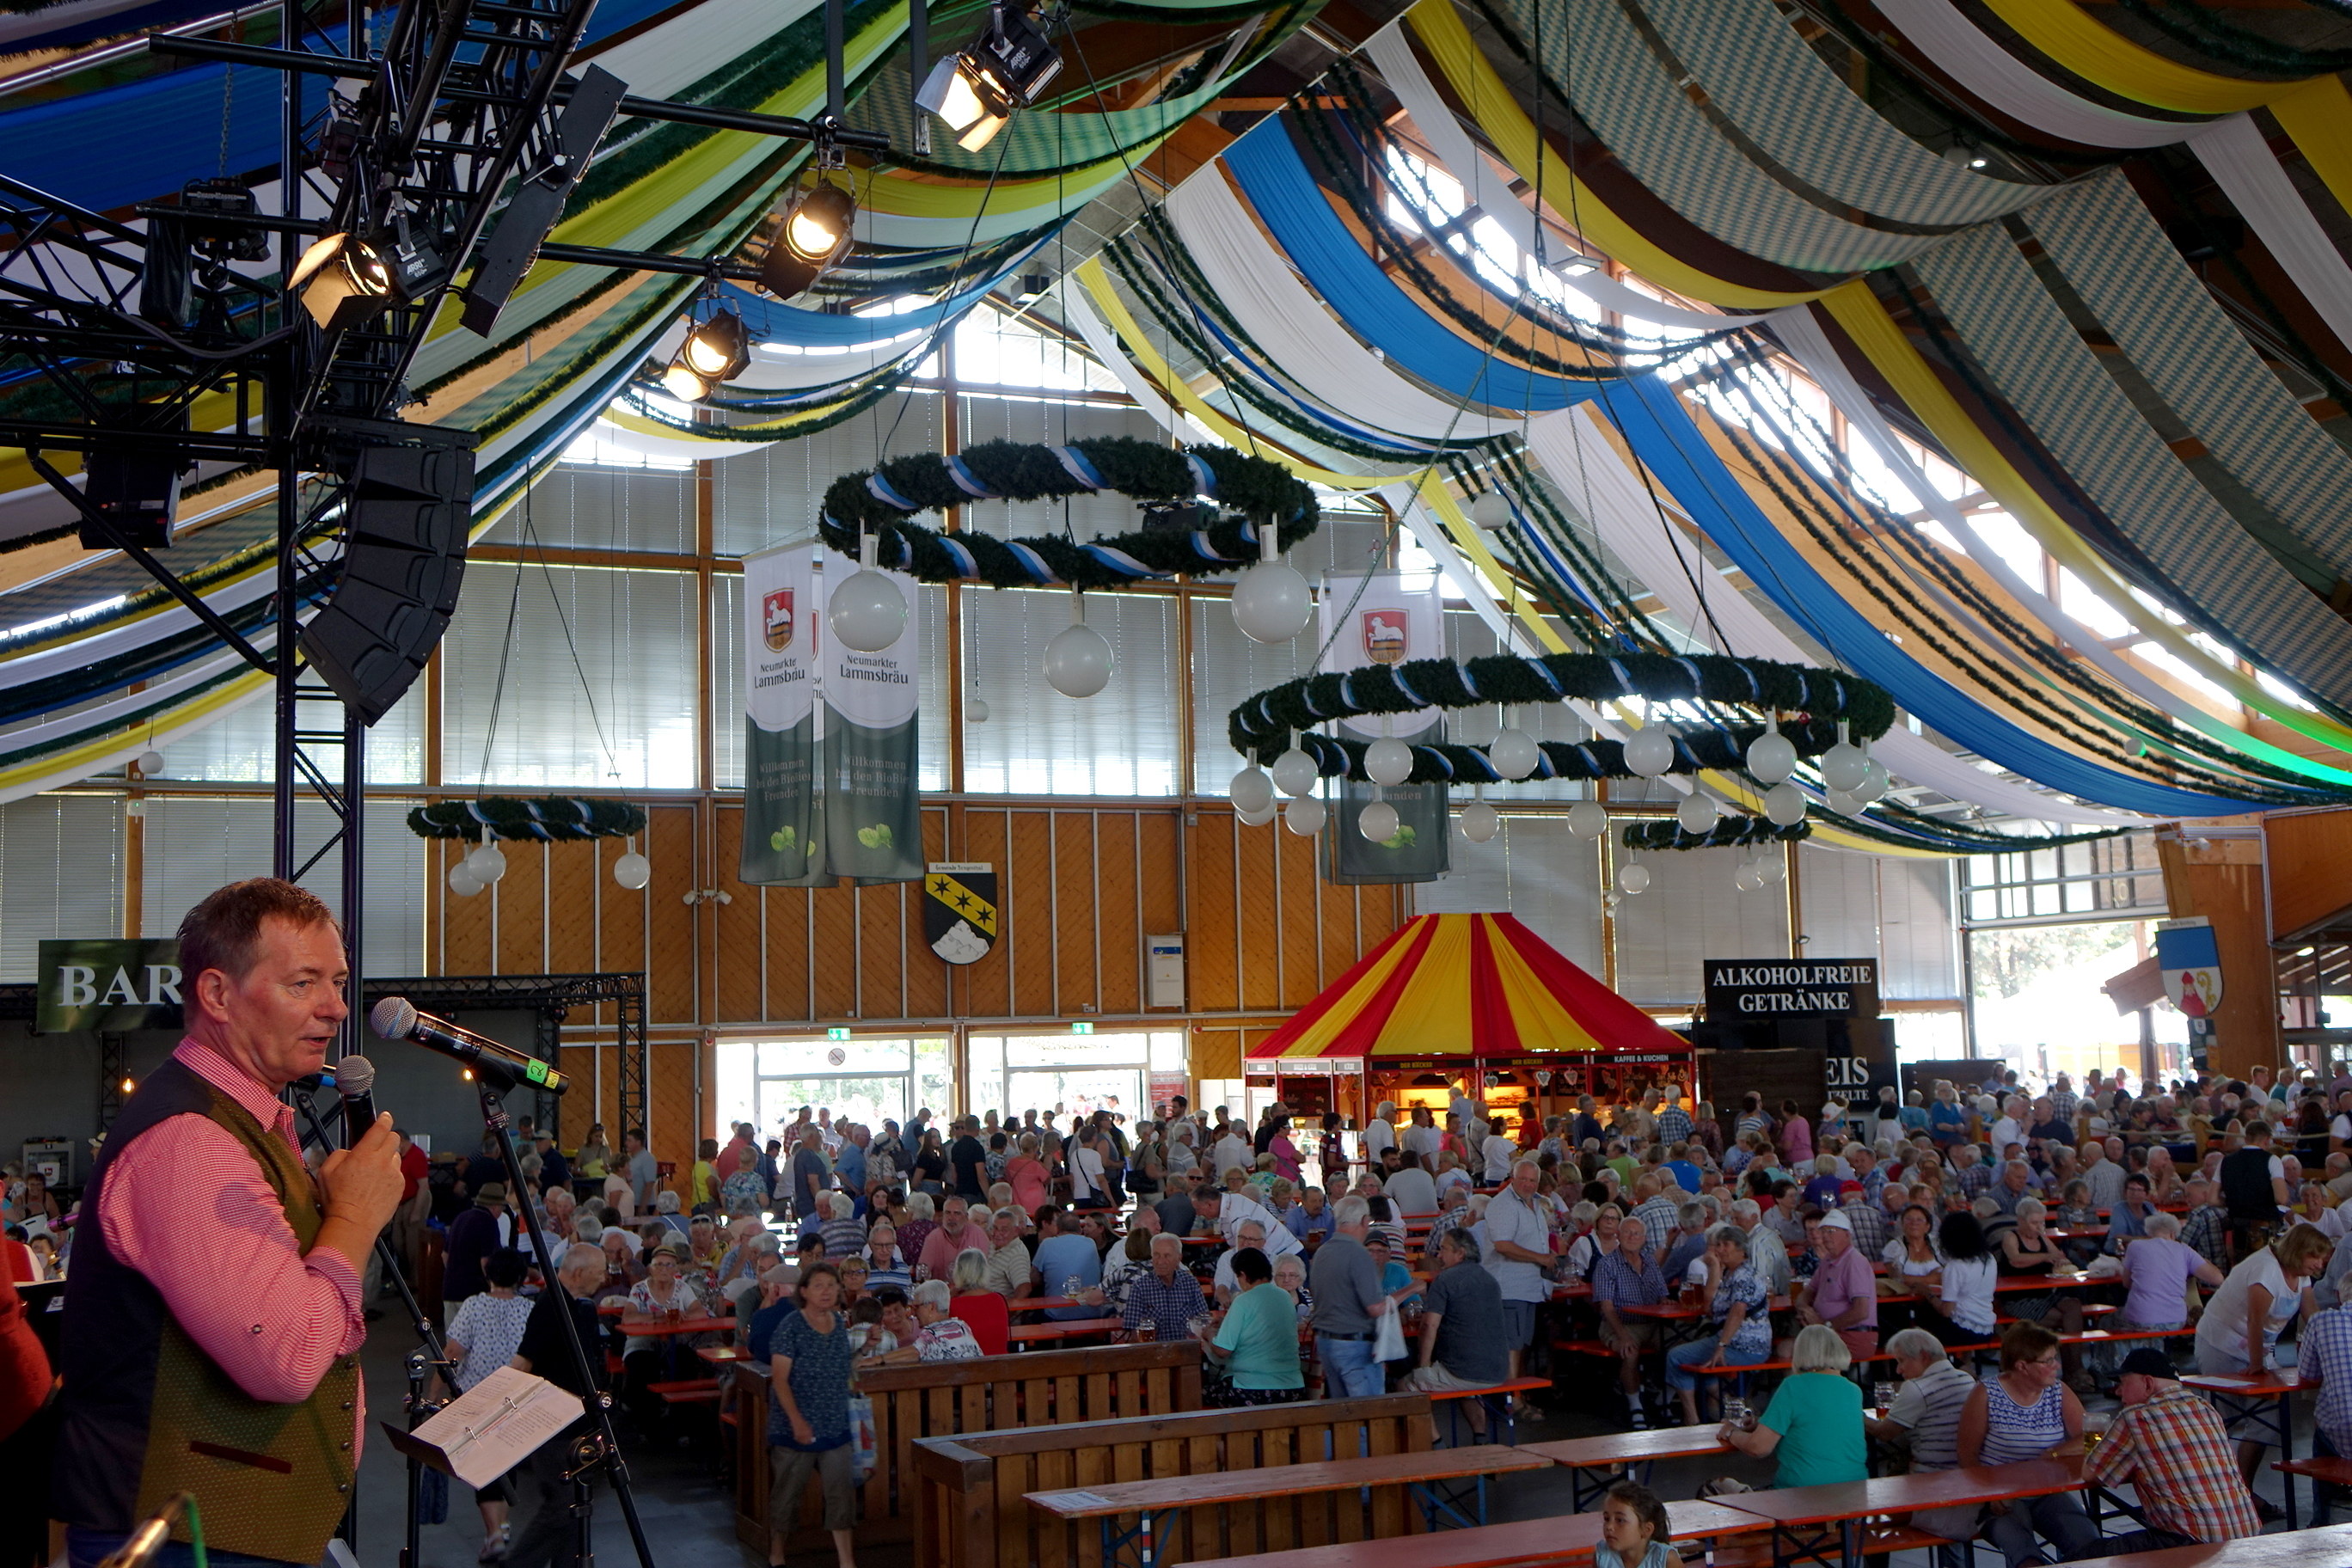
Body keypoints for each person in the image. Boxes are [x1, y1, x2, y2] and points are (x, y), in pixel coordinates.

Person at [52, 879, 405, 1568]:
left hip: (226, 1531)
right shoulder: (192, 1142)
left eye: (336, 982)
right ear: (216, 995)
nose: (335, 1009)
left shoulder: (245, 1119)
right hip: (184, 1537)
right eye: (303, 983)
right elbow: (288, 1357)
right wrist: (355, 1219)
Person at [2086, 1347, 2265, 1552]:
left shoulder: (2136, 1417)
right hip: (2246, 1533)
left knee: (2085, 1556)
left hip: (2190, 1541)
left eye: (2123, 1383)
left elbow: (2092, 1473)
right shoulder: (2205, 1408)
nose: (2118, 1391)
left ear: (2148, 1383)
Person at [501, 1244, 610, 1568]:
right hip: (553, 1426)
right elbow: (522, 1362)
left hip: (577, 1425)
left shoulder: (574, 1306)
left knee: (577, 1505)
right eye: (600, 1270)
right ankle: (517, 1564)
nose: (605, 1278)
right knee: (562, 1504)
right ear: (578, 1273)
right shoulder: (551, 1307)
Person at [1956, 1322, 2099, 1568]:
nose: (2058, 1366)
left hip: (2046, 1491)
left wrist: (2054, 1452)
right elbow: (1967, 1455)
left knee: (2090, 1544)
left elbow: (2089, 1437)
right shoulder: (1986, 1394)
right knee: (2026, 1555)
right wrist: (1989, 1494)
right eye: (2048, 1361)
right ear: (2022, 1366)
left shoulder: (2058, 1391)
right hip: (2001, 1493)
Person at [439, 1248, 536, 1563]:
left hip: (479, 1396)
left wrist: (434, 1391)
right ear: (522, 1278)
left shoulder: (474, 1305)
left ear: (489, 1275)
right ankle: (502, 1526)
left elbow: (453, 1352)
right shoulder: (530, 1309)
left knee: (485, 1466)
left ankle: (495, 1531)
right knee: (505, 1463)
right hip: (517, 1396)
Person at [765, 1262, 859, 1568]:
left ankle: (847, 1561)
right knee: (787, 1495)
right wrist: (797, 1421)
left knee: (840, 1494)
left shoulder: (838, 1323)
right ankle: (776, 1553)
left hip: (834, 1422)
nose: (826, 1291)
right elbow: (779, 1378)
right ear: (803, 1291)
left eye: (832, 1285)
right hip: (795, 1425)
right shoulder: (791, 1325)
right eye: (818, 1285)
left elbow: (841, 1366)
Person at [1864, 1327, 1979, 1563]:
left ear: (1924, 1357)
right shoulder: (1966, 1379)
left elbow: (1884, 1433)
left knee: (1871, 1515)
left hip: (1930, 1485)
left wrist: (1852, 1411)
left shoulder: (1917, 1389)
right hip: (1967, 1482)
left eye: (1902, 1361)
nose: (1899, 1369)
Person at [1721, 1325, 1866, 1487]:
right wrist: (1761, 1423)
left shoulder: (1794, 1385)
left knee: (1719, 1488)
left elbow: (1758, 1447)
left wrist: (1730, 1433)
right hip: (1855, 1492)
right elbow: (1818, 1424)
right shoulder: (1853, 1391)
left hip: (1802, 1494)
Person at [1666, 1225, 1771, 1430]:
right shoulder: (1732, 1273)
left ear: (1741, 1249)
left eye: (1726, 1245)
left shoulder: (1743, 1276)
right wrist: (1716, 1269)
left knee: (1675, 1356)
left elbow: (1738, 1311)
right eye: (1718, 1244)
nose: (1720, 1249)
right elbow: (1710, 1308)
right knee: (1702, 1366)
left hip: (1743, 1346)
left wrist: (1721, 1346)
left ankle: (1692, 1420)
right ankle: (1735, 1408)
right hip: (1740, 1343)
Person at [1406, 1228, 1510, 1416]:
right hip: (1498, 1372)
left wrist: (1423, 1367)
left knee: (1404, 1386)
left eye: (1444, 1249)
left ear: (1460, 1253)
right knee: (1468, 1393)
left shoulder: (1444, 1279)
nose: (1439, 1255)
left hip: (1462, 1372)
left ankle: (1435, 1442)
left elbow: (1429, 1325)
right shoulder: (1490, 1279)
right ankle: (1480, 1437)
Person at [1307, 1196, 1395, 1400]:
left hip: (1326, 1342)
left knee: (1343, 1417)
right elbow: (1374, 1308)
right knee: (1367, 1416)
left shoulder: (1321, 1252)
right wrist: (1405, 1293)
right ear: (1365, 1221)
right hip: (1354, 1344)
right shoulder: (1359, 1255)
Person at [1204, 1246, 1307, 1406]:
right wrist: (1227, 1322)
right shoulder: (1285, 1297)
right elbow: (1263, 1324)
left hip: (1251, 1389)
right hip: (1293, 1388)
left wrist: (1209, 1335)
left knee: (1195, 1396)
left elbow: (1222, 1350)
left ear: (1243, 1275)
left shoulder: (1243, 1300)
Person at [1590, 1216, 1667, 1429]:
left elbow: (1662, 1294)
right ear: (1619, 1236)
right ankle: (1636, 1407)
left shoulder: (1650, 1261)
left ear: (1644, 1239)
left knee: (1677, 1348)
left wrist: (1667, 1302)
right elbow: (1606, 1307)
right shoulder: (1607, 1264)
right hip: (1619, 1324)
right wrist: (1622, 1336)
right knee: (1630, 1352)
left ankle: (1663, 1399)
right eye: (1627, 1233)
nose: (1632, 1237)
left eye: (1636, 1234)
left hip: (1652, 1324)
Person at [1795, 1210, 1877, 1363]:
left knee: (1795, 1353)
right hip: (1831, 1333)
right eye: (1823, 1230)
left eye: (1831, 1231)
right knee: (1788, 1349)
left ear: (1847, 1234)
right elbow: (1808, 1291)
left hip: (1853, 1336)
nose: (1825, 1235)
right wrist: (1805, 1309)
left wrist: (1825, 1325)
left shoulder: (1854, 1262)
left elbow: (1861, 1311)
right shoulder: (1828, 1260)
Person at [1914, 1211, 1999, 1347]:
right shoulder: (1989, 1258)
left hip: (1963, 1330)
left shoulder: (1955, 1266)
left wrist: (1927, 1293)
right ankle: (1966, 1363)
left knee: (1922, 1315)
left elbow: (1946, 1311)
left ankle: (1957, 1365)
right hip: (1987, 1326)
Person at [1122, 1232, 1205, 1340]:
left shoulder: (1191, 1283)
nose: (1160, 1262)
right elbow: (1133, 1332)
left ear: (1179, 1258)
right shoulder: (1140, 1287)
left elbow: (1204, 1320)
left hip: (1186, 1350)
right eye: (1156, 1255)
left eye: (1167, 1256)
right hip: (1154, 1352)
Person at [1031, 1207, 1104, 1320]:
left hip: (1056, 1313)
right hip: (1091, 1311)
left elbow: (1034, 1278)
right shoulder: (1090, 1243)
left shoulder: (1047, 1244)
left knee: (1034, 1316)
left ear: (1058, 1229)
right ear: (1080, 1229)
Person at [1595, 1479, 1675, 1568]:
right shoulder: (1602, 1556)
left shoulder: (1665, 1560)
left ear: (1646, 1530)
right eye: (1606, 1519)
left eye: (1620, 1520)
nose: (1609, 1527)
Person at [947, 1247, 1008, 1356]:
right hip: (1000, 1365)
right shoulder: (999, 1300)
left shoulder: (953, 1305)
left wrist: (948, 1297)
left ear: (958, 1272)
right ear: (985, 1271)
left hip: (970, 1367)